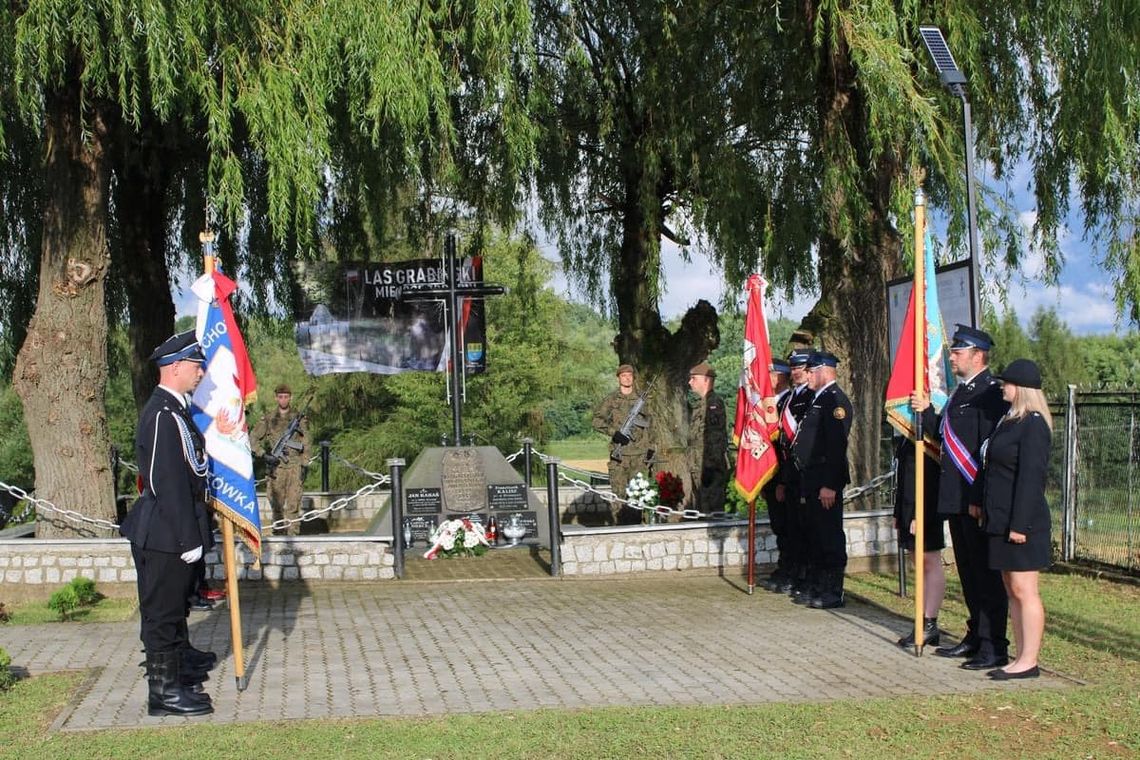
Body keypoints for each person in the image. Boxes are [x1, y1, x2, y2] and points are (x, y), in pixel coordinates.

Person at [119, 330, 215, 717]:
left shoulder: (176, 411)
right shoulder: (161, 414)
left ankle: (176, 675)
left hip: (173, 529)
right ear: (175, 368)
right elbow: (165, 481)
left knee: (174, 609)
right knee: (161, 614)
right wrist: (185, 535)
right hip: (164, 533)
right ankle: (163, 693)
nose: (201, 373)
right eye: (195, 366)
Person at [910, 325, 1010, 670]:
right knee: (968, 572)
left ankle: (994, 644)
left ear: (978, 355)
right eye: (952, 351)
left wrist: (980, 497)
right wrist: (925, 412)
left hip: (974, 497)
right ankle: (975, 634)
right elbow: (943, 437)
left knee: (985, 574)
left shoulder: (991, 394)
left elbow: (988, 452)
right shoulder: (960, 394)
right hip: (955, 496)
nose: (951, 357)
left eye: (958, 352)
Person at [982, 359, 1053, 680]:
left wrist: (1019, 526)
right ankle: (1019, 656)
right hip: (1000, 518)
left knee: (1025, 589)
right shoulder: (1009, 421)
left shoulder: (1033, 424)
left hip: (1022, 522)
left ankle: (1029, 660)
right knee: (1011, 588)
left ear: (1021, 388)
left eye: (1007, 382)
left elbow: (1031, 479)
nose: (1002, 386)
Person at [791, 351, 853, 609]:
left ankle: (833, 590)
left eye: (812, 371)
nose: (808, 376)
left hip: (825, 480)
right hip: (811, 478)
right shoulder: (817, 399)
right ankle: (818, 584)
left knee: (829, 537)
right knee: (815, 535)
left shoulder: (835, 401)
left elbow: (836, 447)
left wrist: (830, 485)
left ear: (825, 370)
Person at [893, 436, 946, 647]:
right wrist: (899, 512)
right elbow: (904, 477)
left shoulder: (929, 432)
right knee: (918, 562)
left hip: (926, 509)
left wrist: (920, 514)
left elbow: (930, 479)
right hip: (908, 509)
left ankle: (929, 622)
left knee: (929, 561)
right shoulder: (909, 435)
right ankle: (921, 619)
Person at [769, 349, 814, 597]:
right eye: (794, 368)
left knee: (800, 528)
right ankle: (790, 569)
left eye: (800, 369)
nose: (797, 372)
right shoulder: (785, 401)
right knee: (786, 526)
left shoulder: (809, 397)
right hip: (783, 473)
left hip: (798, 474)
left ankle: (802, 573)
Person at [592, 364, 652, 524]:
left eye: (630, 375)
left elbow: (652, 424)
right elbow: (597, 421)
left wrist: (650, 450)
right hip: (619, 457)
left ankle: (638, 527)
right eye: (623, 375)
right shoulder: (611, 399)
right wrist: (615, 433)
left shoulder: (642, 400)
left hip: (639, 456)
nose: (627, 378)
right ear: (618, 378)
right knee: (619, 494)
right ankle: (621, 527)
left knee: (638, 494)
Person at [251, 384, 308, 536]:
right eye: (280, 396)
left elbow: (306, 442)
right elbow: (253, 439)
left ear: (291, 397)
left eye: (286, 396)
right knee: (276, 505)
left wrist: (305, 464)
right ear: (276, 398)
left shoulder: (298, 418)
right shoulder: (269, 419)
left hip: (294, 466)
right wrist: (263, 454)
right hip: (276, 467)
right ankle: (278, 535)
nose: (283, 399)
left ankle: (293, 536)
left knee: (293, 504)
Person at [760, 359, 793, 591]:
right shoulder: (768, 405)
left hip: (784, 475)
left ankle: (791, 570)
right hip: (771, 475)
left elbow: (786, 447)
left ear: (780, 377)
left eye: (770, 374)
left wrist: (782, 480)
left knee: (788, 527)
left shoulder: (788, 403)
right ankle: (785, 567)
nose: (766, 379)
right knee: (779, 526)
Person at [688, 362, 728, 514]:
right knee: (702, 510)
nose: (690, 382)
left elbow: (715, 437)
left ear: (706, 380)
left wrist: (710, 466)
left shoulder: (713, 404)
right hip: (699, 466)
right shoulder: (701, 404)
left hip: (709, 468)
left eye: (693, 378)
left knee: (711, 512)